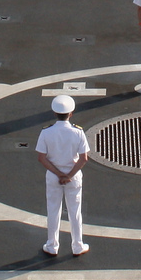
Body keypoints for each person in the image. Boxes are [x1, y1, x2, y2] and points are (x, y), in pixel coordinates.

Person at [36, 94, 90, 257]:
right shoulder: (78, 132)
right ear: (71, 113)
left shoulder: (46, 133)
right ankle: (77, 246)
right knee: (75, 211)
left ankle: (52, 246)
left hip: (53, 176)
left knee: (53, 210)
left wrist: (59, 174)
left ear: (54, 113)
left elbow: (41, 157)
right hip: (73, 177)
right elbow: (83, 158)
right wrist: (69, 175)